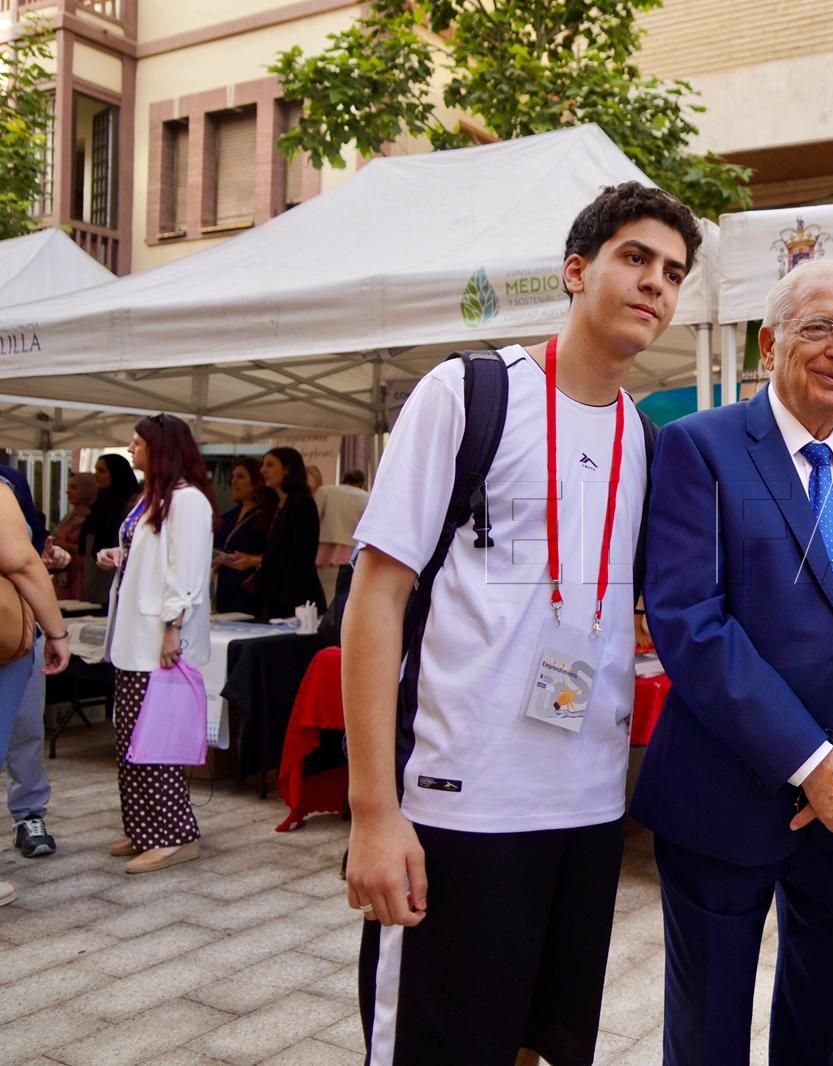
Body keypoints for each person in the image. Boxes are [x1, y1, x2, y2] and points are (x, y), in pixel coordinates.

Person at [344, 181, 700, 1066]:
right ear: (575, 271)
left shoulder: (645, 439)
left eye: (673, 272)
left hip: (588, 809)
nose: (655, 283)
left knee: (540, 1046)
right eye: (635, 257)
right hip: (458, 805)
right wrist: (373, 812)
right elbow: (376, 598)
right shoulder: (469, 395)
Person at [631, 258, 833, 1066]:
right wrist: (811, 762)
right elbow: (690, 620)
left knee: (823, 1028)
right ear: (769, 344)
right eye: (818, 328)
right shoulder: (699, 447)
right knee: (708, 1034)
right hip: (723, 799)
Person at [95, 414, 214, 874]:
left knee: (154, 740)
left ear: (160, 448)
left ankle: (174, 835)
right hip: (135, 638)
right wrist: (121, 555)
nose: (131, 449)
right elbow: (155, 556)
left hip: (156, 639)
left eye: (137, 442)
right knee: (130, 738)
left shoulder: (188, 501)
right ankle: (145, 827)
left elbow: (185, 570)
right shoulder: (153, 498)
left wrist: (172, 627)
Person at [0, 472, 70, 906]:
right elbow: (22, 562)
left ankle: (29, 813)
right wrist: (57, 632)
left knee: (24, 727)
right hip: (8, 639)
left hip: (14, 633)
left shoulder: (10, 482)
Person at [226, 447, 324, 620]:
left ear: (288, 469)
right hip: (276, 597)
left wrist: (255, 560)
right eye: (263, 465)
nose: (263, 470)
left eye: (270, 465)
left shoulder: (302, 504)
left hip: (296, 599)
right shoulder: (276, 505)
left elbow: (298, 555)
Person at [212, 458, 275, 617]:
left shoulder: (268, 517)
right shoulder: (228, 517)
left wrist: (254, 560)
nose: (234, 482)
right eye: (233, 477)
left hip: (251, 592)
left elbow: (276, 553)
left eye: (240, 477)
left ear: (257, 483)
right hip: (225, 590)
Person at [80, 453, 138, 605]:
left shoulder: (132, 504)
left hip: (116, 575)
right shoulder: (99, 502)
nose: (96, 475)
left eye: (102, 471)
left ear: (116, 473)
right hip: (94, 574)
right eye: (96, 470)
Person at [315, 468, 369, 605]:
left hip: (326, 552)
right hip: (354, 553)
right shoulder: (367, 497)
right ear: (362, 483)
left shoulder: (325, 491)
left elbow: (313, 520)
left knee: (327, 596)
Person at [50, 472, 97, 601]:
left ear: (87, 490)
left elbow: (90, 551)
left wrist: (65, 546)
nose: (68, 492)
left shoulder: (94, 518)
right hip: (63, 576)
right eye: (68, 487)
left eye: (74, 488)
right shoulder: (70, 516)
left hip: (81, 578)